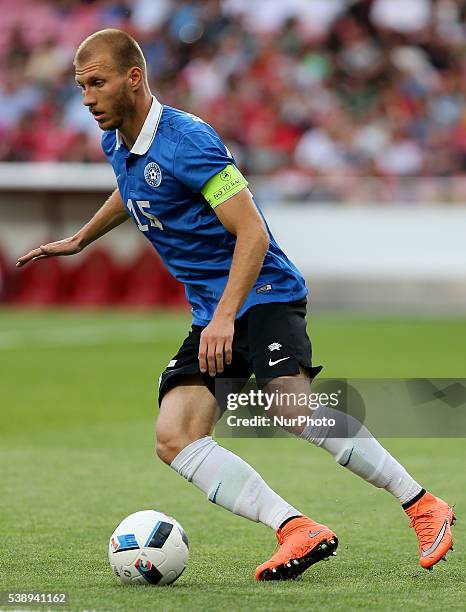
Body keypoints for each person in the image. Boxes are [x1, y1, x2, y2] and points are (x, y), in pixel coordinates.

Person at [16, 29, 455, 580]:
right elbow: (132, 190)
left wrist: (225, 317)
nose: (87, 98)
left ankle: (421, 503)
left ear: (133, 78)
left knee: (289, 406)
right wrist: (82, 239)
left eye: (97, 83)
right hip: (212, 311)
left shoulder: (189, 140)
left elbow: (252, 234)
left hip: (263, 291)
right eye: (81, 87)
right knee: (175, 436)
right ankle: (295, 527)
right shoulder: (118, 139)